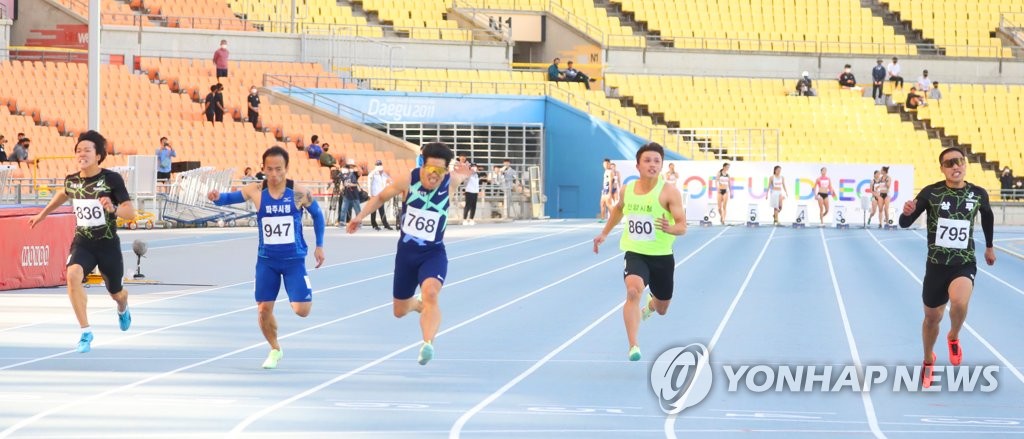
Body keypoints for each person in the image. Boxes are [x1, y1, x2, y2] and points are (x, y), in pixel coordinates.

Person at [346, 142, 473, 365]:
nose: (435, 176)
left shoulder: (449, 181)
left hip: (433, 253)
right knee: (399, 310)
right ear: (422, 165)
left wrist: (462, 173)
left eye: (440, 171)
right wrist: (359, 216)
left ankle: (427, 344)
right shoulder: (409, 180)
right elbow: (380, 198)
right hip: (406, 256)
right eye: (431, 169)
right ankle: (418, 305)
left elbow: (460, 176)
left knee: (431, 292)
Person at [207, 146, 326, 369]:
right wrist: (217, 197)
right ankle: (275, 349)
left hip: (293, 261)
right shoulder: (256, 190)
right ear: (263, 168)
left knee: (302, 311)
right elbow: (230, 197)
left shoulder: (298, 192)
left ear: (286, 168)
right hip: (267, 261)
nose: (274, 174)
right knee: (263, 309)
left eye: (278, 169)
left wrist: (319, 245)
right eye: (269, 169)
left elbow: (318, 216)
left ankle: (293, 300)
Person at [27, 131, 135, 353]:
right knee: (72, 275)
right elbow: (63, 193)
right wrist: (43, 214)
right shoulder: (72, 180)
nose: (82, 154)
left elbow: (130, 212)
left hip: (107, 245)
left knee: (116, 293)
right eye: (78, 150)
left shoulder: (111, 179)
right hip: (83, 242)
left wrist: (113, 209)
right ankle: (85, 331)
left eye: (87, 150)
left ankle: (123, 306)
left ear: (98, 156)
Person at [899, 147, 996, 388]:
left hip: (963, 263)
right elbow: (905, 223)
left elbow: (988, 217)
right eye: (949, 163)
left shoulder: (978, 193)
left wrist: (990, 246)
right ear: (942, 168)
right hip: (936, 266)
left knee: (960, 302)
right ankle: (928, 359)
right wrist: (905, 214)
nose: (955, 166)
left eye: (959, 161)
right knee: (932, 319)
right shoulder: (932, 193)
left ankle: (953, 336)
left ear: (965, 164)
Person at [592, 142, 687, 361]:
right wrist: (604, 233)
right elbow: (618, 209)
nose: (652, 164)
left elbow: (682, 226)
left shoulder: (669, 193)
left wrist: (669, 228)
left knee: (662, 308)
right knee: (633, 291)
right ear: (638, 165)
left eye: (657, 161)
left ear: (661, 165)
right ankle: (633, 345)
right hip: (635, 252)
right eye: (647, 160)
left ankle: (652, 305)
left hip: (662, 256)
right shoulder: (628, 189)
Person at [369, 160, 393, 230]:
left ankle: (385, 224)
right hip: (374, 195)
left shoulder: (384, 173)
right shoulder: (372, 174)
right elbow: (369, 184)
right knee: (373, 211)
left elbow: (389, 180)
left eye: (380, 164)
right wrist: (370, 194)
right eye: (378, 164)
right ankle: (374, 225)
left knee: (381, 210)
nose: (379, 165)